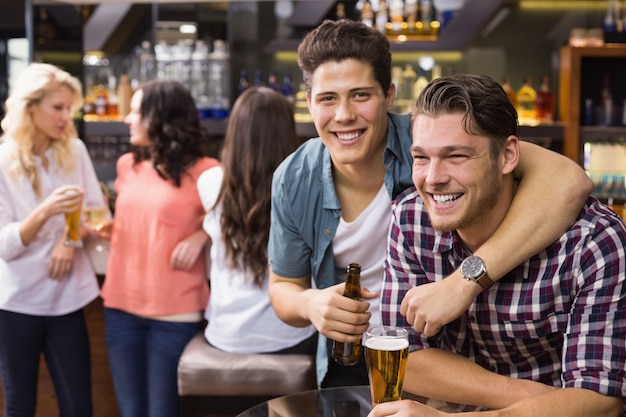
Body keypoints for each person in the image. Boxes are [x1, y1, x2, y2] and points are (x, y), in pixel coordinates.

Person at [267, 19, 594, 389]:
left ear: (389, 96)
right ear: (308, 102)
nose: (343, 115)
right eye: (327, 98)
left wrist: (464, 281)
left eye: (360, 95)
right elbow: (282, 287)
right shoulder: (295, 177)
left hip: (445, 353)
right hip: (355, 353)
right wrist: (310, 303)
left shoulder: (432, 139)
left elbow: (568, 181)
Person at [377, 73, 626, 417]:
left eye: (456, 156)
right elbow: (405, 357)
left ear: (508, 156)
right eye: (421, 157)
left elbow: (601, 403)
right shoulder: (411, 219)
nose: (433, 178)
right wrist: (543, 399)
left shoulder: (592, 242)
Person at [97, 79, 219, 417]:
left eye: (136, 111)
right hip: (120, 307)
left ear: (162, 118)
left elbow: (237, 225)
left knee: (162, 412)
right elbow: (144, 220)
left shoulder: (208, 172)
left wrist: (202, 235)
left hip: (175, 314)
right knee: (130, 411)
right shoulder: (127, 165)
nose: (127, 118)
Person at [0, 62, 105, 416]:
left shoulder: (73, 151)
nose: (65, 117)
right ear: (30, 107)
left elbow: (95, 214)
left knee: (79, 407)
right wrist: (45, 211)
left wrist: (69, 240)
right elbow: (5, 246)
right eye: (57, 107)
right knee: (19, 406)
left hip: (67, 300)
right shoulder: (1, 162)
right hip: (15, 304)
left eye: (68, 109)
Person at [196, 86, 317, 354]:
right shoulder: (304, 185)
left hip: (223, 333)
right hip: (287, 334)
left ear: (235, 130)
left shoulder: (209, 183)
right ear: (287, 132)